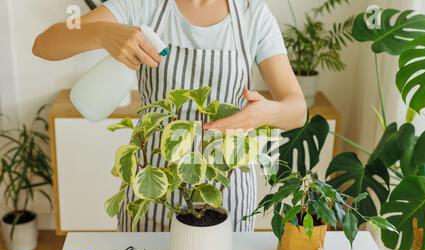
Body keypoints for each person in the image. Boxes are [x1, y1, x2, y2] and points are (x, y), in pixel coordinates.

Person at [33, 0, 307, 232]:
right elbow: (45, 44)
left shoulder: (253, 15)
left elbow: (297, 111)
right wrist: (103, 32)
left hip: (227, 198)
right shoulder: (142, 5)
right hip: (152, 192)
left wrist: (262, 114)